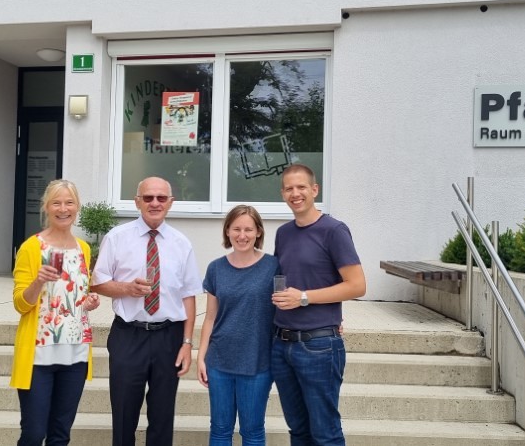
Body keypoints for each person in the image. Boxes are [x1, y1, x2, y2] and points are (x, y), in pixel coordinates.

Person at [90, 176, 201, 446]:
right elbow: (97, 283)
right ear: (137, 201)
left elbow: (188, 295)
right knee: (124, 413)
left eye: (161, 198)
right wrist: (126, 288)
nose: (155, 203)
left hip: (169, 336)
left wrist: (187, 343)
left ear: (170, 202)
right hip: (129, 334)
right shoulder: (117, 238)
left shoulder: (181, 243)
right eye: (148, 197)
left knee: (163, 417)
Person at [270, 164, 367, 446]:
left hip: (319, 347)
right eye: (289, 188)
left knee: (325, 434)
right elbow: (283, 280)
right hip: (282, 345)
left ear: (315, 190)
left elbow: (357, 285)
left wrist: (304, 297)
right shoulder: (284, 233)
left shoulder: (333, 230)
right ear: (282, 194)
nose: (295, 193)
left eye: (301, 187)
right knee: (298, 431)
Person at [11, 179, 102, 446]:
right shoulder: (31, 248)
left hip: (75, 354)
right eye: (56, 203)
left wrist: (89, 301)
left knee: (61, 435)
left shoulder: (83, 248)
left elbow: (74, 296)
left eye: (69, 203)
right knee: (33, 433)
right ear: (46, 207)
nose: (63, 209)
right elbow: (20, 304)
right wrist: (38, 281)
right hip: (38, 356)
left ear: (77, 207)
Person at [197, 205, 278, 446]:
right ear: (227, 231)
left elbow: (287, 305)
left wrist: (332, 318)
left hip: (257, 362)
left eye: (248, 229)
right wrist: (201, 357)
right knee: (220, 430)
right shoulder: (216, 268)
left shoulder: (274, 267)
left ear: (258, 232)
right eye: (236, 229)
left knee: (252, 431)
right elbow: (210, 317)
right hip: (219, 361)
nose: (242, 235)